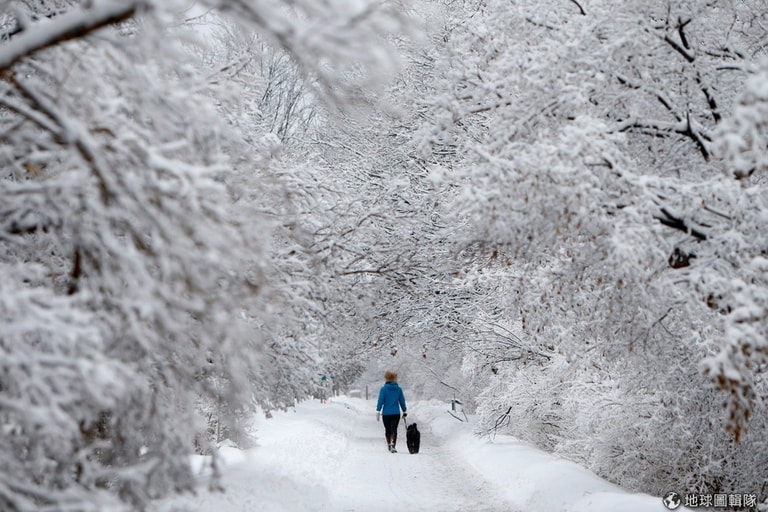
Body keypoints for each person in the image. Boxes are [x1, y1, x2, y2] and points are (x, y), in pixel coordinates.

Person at [375, 370, 407, 453]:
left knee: (387, 429)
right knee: (394, 429)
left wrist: (378, 410)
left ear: (386, 378)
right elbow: (402, 401)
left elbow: (380, 400)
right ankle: (393, 445)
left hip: (386, 414)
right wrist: (404, 410)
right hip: (396, 413)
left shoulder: (383, 389)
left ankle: (389, 444)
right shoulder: (399, 389)